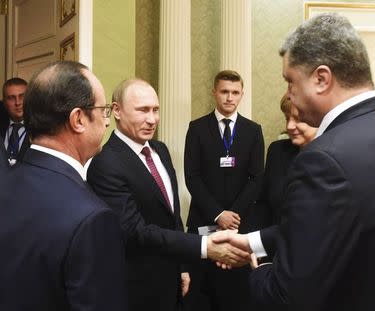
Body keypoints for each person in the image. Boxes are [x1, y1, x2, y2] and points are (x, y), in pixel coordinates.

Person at [215, 13, 375, 311]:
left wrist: (257, 266)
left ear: (321, 79)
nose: (289, 95)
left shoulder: (324, 159)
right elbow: (345, 227)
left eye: (290, 81)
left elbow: (286, 296)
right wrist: (253, 241)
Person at [87, 78, 249, 311]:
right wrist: (205, 246)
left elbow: (172, 216)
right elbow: (134, 232)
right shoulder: (105, 163)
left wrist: (182, 266)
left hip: (171, 278)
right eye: (143, 110)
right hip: (137, 286)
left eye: (155, 110)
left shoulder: (160, 150)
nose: (152, 119)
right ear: (116, 111)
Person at [0, 61, 128, 310]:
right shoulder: (93, 219)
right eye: (103, 111)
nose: (107, 122)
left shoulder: (6, 184)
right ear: (78, 119)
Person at [183, 70, 264, 311]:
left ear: (241, 94)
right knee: (201, 295)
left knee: (237, 295)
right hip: (204, 222)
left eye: (235, 92)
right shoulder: (196, 128)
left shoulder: (253, 130)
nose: (229, 98)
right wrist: (219, 214)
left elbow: (257, 178)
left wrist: (233, 215)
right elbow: (192, 177)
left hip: (242, 225)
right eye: (224, 92)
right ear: (214, 93)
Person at [256, 94, 317, 228]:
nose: (289, 126)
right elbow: (263, 204)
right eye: (287, 118)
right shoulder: (277, 151)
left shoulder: (333, 156)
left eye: (297, 119)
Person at [1, 77, 30, 166]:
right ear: (4, 102)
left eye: (22, 96)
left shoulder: (41, 129)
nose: (17, 103)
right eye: (11, 98)